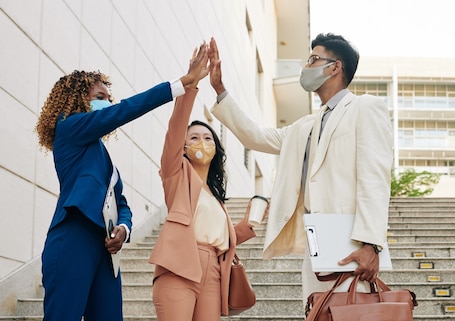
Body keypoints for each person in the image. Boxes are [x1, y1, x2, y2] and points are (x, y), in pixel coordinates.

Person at [207, 33, 393, 304]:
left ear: (334, 67)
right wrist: (220, 89)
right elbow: (255, 136)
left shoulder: (365, 108)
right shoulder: (304, 126)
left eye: (313, 59)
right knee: (317, 311)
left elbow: (375, 178)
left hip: (352, 241)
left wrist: (371, 243)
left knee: (353, 312)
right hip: (315, 242)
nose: (306, 67)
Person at [35, 43, 211, 321]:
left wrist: (124, 229)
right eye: (100, 96)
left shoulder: (102, 156)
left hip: (106, 251)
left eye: (108, 97)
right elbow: (123, 111)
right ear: (79, 99)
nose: (108, 102)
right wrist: (181, 84)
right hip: (73, 237)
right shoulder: (68, 127)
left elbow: (122, 203)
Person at [149, 38, 260, 321]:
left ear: (216, 149)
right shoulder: (175, 175)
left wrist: (247, 226)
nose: (202, 141)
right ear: (184, 147)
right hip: (178, 268)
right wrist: (191, 84)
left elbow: (216, 233)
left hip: (213, 271)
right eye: (194, 137)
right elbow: (175, 129)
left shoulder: (213, 195)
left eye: (208, 137)